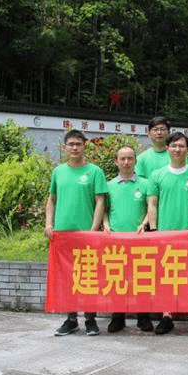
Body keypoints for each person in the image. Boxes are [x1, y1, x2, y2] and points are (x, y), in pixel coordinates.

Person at [45, 129, 108, 336]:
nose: (74, 148)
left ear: (84, 147)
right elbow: (52, 199)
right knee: (67, 278)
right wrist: (48, 224)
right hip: (62, 234)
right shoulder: (58, 172)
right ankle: (71, 319)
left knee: (89, 276)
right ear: (64, 147)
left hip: (86, 234)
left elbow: (100, 201)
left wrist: (93, 230)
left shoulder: (95, 172)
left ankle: (90, 319)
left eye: (78, 144)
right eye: (71, 144)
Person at [145, 132, 188, 334]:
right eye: (173, 146)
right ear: (167, 148)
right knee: (167, 275)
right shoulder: (157, 175)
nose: (177, 149)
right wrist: (154, 229)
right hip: (165, 234)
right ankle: (167, 315)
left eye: (181, 146)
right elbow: (152, 204)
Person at [102, 145, 153, 333]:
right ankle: (118, 316)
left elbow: (151, 207)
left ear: (135, 161)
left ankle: (143, 316)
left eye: (130, 158)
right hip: (116, 240)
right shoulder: (109, 186)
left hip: (140, 240)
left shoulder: (146, 184)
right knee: (117, 278)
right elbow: (104, 210)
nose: (126, 162)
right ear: (116, 162)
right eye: (122, 159)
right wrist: (105, 224)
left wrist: (145, 223)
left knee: (141, 278)